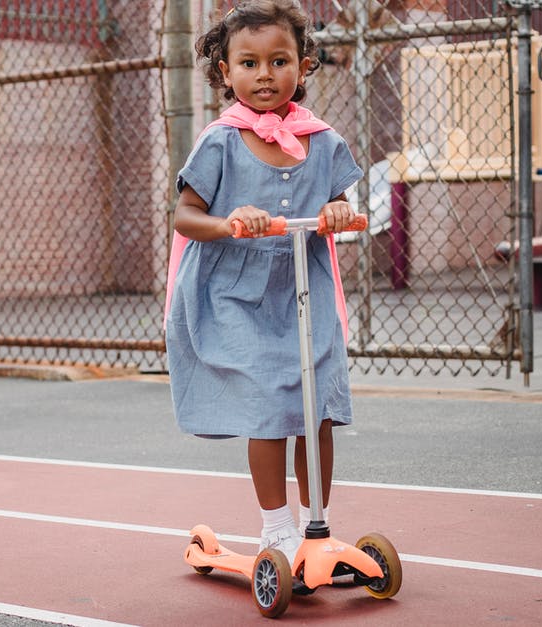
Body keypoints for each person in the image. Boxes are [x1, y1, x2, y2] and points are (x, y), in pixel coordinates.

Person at [164, 0, 363, 562]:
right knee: (268, 409)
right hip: (236, 294)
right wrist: (229, 221)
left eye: (279, 61)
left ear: (303, 66)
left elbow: (339, 200)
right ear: (225, 73)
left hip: (305, 287)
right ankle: (276, 528)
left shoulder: (322, 140)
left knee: (315, 407)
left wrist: (340, 212)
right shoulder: (220, 141)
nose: (265, 74)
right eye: (248, 64)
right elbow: (185, 215)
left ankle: (313, 525)